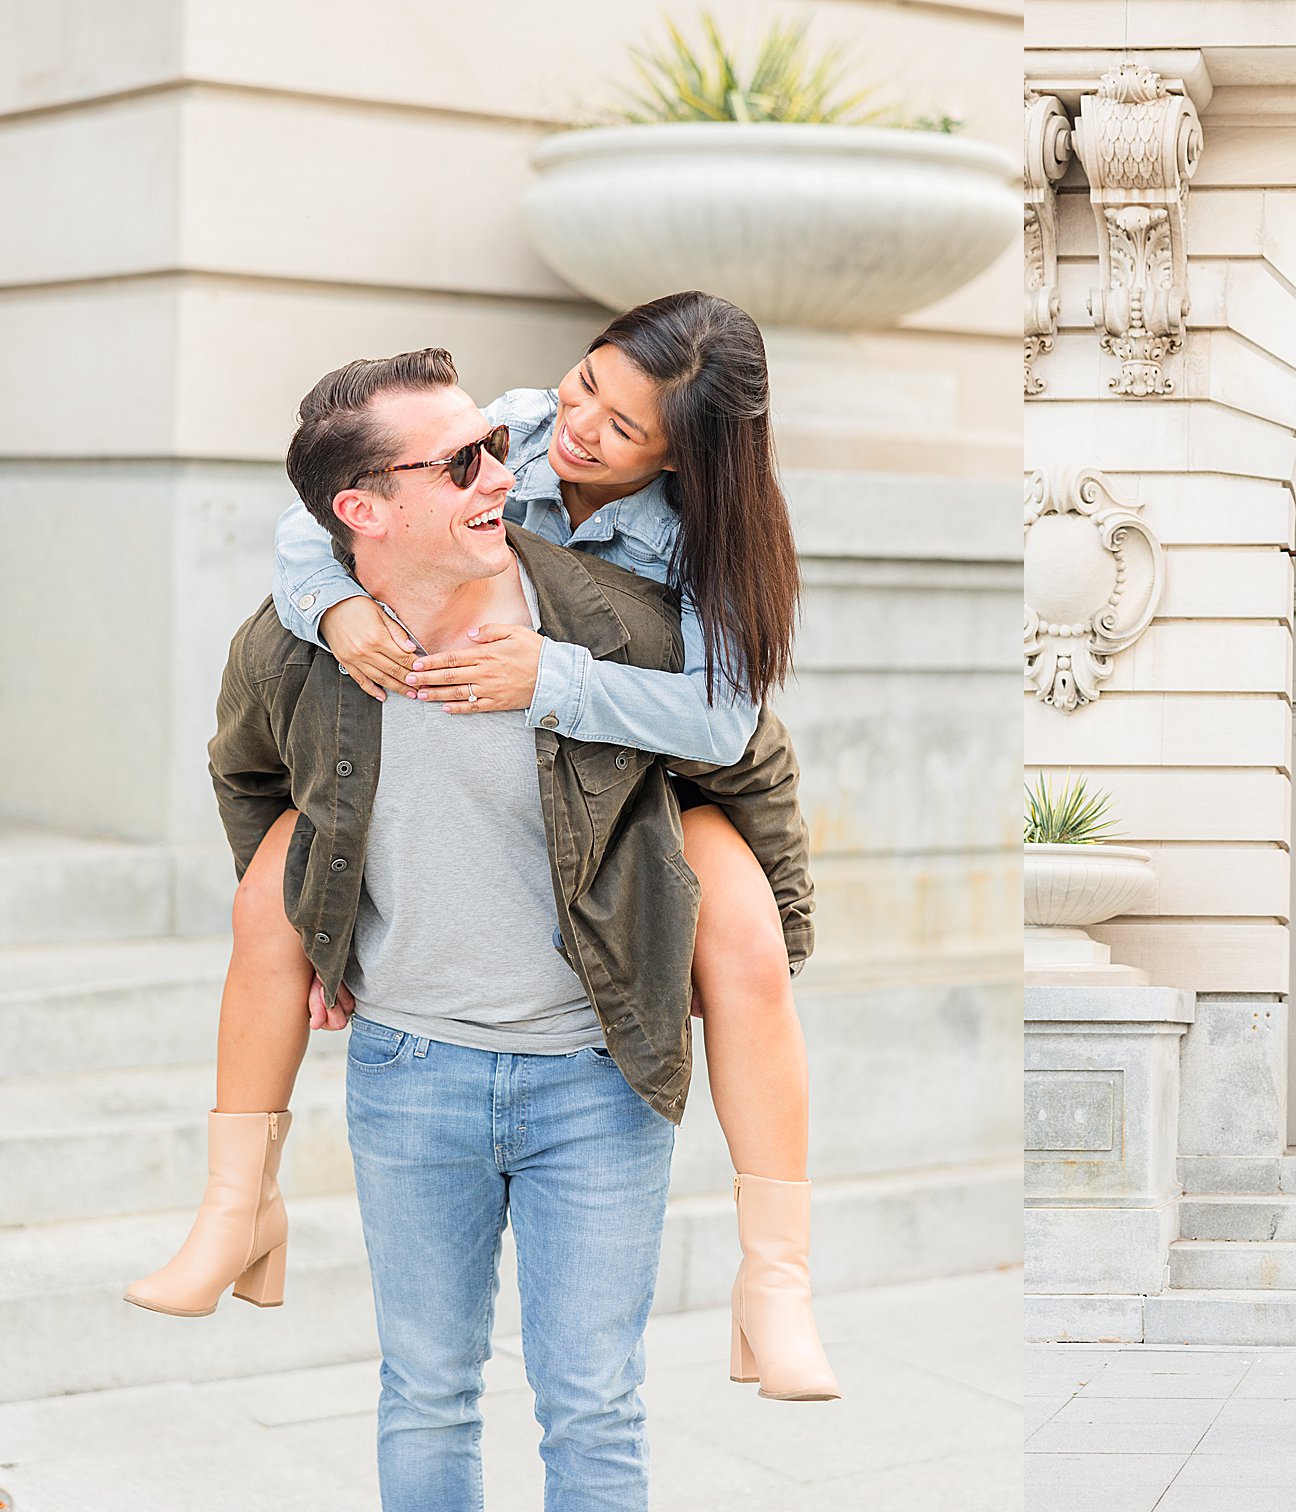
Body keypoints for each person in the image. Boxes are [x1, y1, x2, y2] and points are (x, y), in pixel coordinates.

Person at [126, 294, 840, 1401]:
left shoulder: (693, 545)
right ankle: (237, 1204)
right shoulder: (503, 429)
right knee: (270, 889)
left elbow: (729, 731)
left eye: (623, 427)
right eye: (586, 381)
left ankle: (776, 1278)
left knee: (743, 931)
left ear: (683, 464)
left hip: (636, 787)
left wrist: (546, 676)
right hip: (473, 817)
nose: (577, 427)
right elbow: (323, 509)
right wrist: (330, 608)